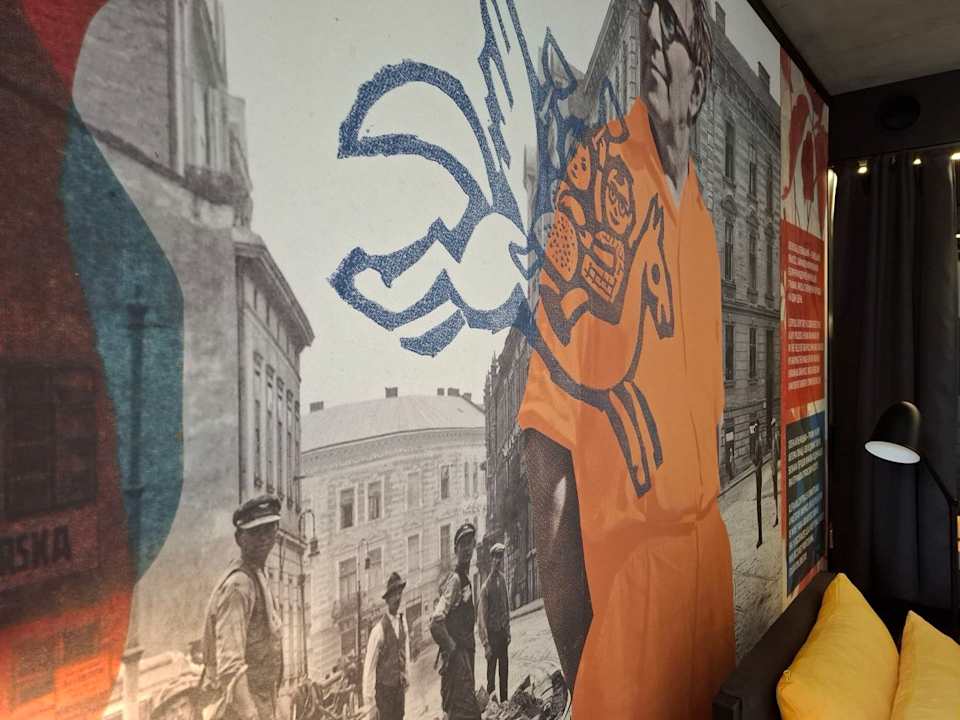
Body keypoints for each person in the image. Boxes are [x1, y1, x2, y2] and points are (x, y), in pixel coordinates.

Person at [519, 0, 735, 716]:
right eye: (649, 19)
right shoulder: (597, 175)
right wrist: (587, 664)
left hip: (710, 586)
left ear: (702, 71)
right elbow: (546, 449)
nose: (653, 39)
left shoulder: (700, 219)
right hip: (634, 608)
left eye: (675, 29)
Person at [201, 495, 284, 720]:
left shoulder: (257, 574)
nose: (264, 538)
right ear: (240, 538)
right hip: (241, 708)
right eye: (255, 532)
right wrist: (250, 714)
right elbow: (231, 666)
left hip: (262, 701)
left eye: (269, 529)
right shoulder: (239, 586)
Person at [430, 522, 481, 720]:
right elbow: (435, 622)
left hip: (466, 657)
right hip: (458, 662)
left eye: (470, 543)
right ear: (455, 549)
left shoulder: (465, 579)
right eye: (463, 544)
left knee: (463, 712)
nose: (467, 549)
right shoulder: (455, 580)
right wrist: (453, 650)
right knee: (467, 713)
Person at [362, 571, 411, 720]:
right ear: (387, 599)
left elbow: (405, 651)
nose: (398, 598)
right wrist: (370, 702)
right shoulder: (378, 631)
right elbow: (369, 668)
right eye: (394, 595)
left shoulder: (402, 622)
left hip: (398, 691)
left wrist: (406, 676)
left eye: (399, 593)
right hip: (384, 693)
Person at [477, 543, 510, 703]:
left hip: (502, 634)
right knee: (491, 675)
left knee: (504, 671)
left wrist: (508, 631)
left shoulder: (503, 580)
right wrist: (486, 644)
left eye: (500, 557)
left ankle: (505, 703)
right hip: (492, 637)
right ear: (491, 560)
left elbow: (506, 607)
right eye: (496, 557)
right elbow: (481, 619)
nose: (498, 561)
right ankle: (492, 708)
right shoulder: (485, 588)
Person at [754, 423, 765, 548]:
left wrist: (756, 468)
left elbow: (761, 460)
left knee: (759, 504)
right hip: (758, 473)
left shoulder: (759, 442)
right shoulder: (757, 441)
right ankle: (760, 537)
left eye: (756, 429)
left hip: (759, 475)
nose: (755, 431)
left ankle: (760, 538)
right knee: (758, 504)